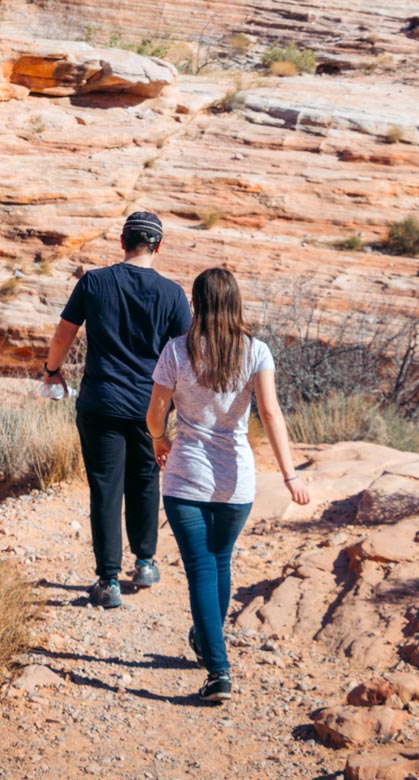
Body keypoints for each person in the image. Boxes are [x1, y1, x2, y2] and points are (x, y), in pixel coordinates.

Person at [146, 266, 310, 703]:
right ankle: (208, 643)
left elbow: (155, 412)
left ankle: (218, 670)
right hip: (236, 481)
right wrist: (289, 474)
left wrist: (160, 439)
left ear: (196, 303)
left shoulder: (177, 352)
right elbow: (271, 414)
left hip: (186, 477)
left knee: (202, 567)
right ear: (236, 302)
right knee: (219, 561)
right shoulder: (256, 351)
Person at [42, 211, 191, 610]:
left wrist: (52, 371)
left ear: (122, 242)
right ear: (158, 246)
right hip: (151, 407)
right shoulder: (174, 295)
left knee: (105, 488)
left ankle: (108, 581)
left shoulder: (94, 282)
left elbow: (63, 334)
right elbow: (187, 354)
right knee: (145, 480)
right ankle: (145, 562)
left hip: (101, 403)